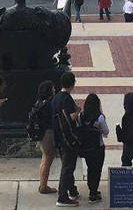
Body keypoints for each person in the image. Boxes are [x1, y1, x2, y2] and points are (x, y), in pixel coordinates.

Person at [53, 71, 80, 207]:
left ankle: (72, 189)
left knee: (67, 164)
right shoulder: (67, 99)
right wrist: (78, 112)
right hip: (68, 138)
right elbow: (72, 118)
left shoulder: (57, 97)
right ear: (72, 84)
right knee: (68, 167)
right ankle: (62, 196)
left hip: (59, 137)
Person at [77, 93, 108, 203]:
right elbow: (106, 132)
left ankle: (91, 188)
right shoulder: (99, 117)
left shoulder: (81, 115)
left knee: (90, 168)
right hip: (98, 147)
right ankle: (94, 192)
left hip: (86, 147)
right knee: (97, 169)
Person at [33, 80, 57, 196]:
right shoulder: (49, 104)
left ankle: (42, 184)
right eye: (53, 89)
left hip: (42, 133)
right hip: (48, 133)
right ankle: (43, 185)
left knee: (44, 158)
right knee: (48, 158)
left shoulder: (39, 102)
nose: (54, 90)